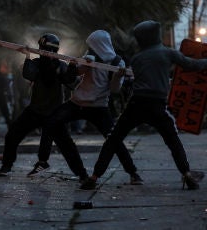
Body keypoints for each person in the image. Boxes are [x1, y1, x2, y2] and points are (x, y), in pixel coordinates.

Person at [81, 20, 207, 190]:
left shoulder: (137, 58)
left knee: (113, 139)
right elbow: (192, 65)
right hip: (157, 105)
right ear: (157, 35)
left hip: (136, 104)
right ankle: (187, 174)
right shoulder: (168, 53)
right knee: (173, 140)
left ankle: (94, 177)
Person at [28, 30, 142, 186]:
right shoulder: (89, 57)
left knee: (114, 139)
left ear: (99, 45)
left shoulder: (117, 63)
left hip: (99, 107)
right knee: (51, 122)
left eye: (92, 46)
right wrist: (79, 64)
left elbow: (115, 89)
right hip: (77, 103)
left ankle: (133, 173)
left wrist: (118, 76)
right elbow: (75, 74)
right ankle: (73, 170)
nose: (90, 49)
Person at [0, 33, 88, 181]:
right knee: (12, 135)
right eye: (46, 50)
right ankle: (6, 166)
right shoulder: (37, 63)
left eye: (51, 50)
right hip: (35, 110)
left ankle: (82, 174)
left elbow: (71, 83)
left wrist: (72, 68)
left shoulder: (61, 65)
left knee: (67, 146)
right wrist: (27, 56)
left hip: (54, 113)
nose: (49, 53)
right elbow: (28, 74)